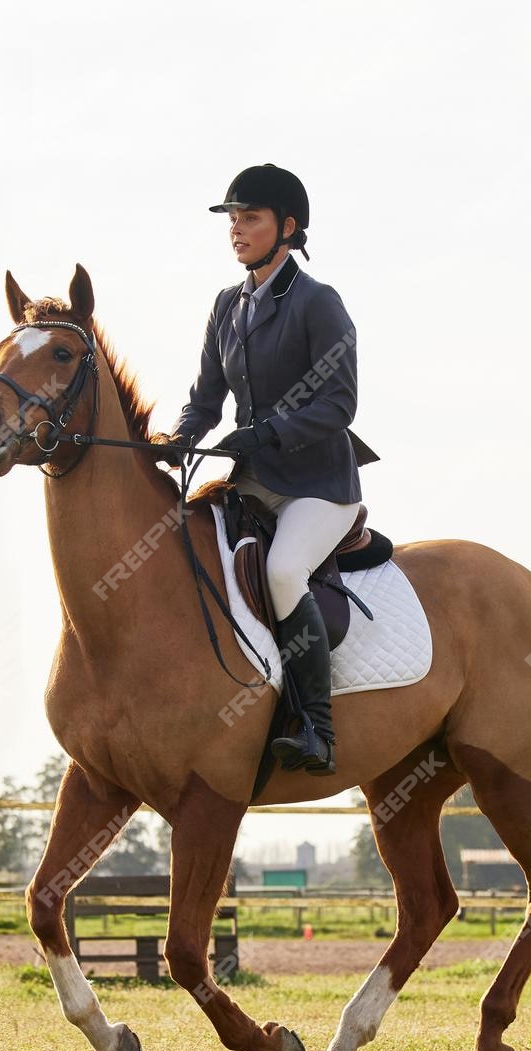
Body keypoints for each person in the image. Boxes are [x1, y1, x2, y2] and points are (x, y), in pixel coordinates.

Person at [152, 164, 378, 776]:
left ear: (288, 227)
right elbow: (204, 400)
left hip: (319, 488)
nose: (236, 229)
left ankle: (317, 728)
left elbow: (338, 403)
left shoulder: (317, 302)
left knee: (281, 571)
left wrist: (269, 431)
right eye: (232, 218)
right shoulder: (227, 306)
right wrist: (178, 440)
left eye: (249, 218)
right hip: (253, 479)